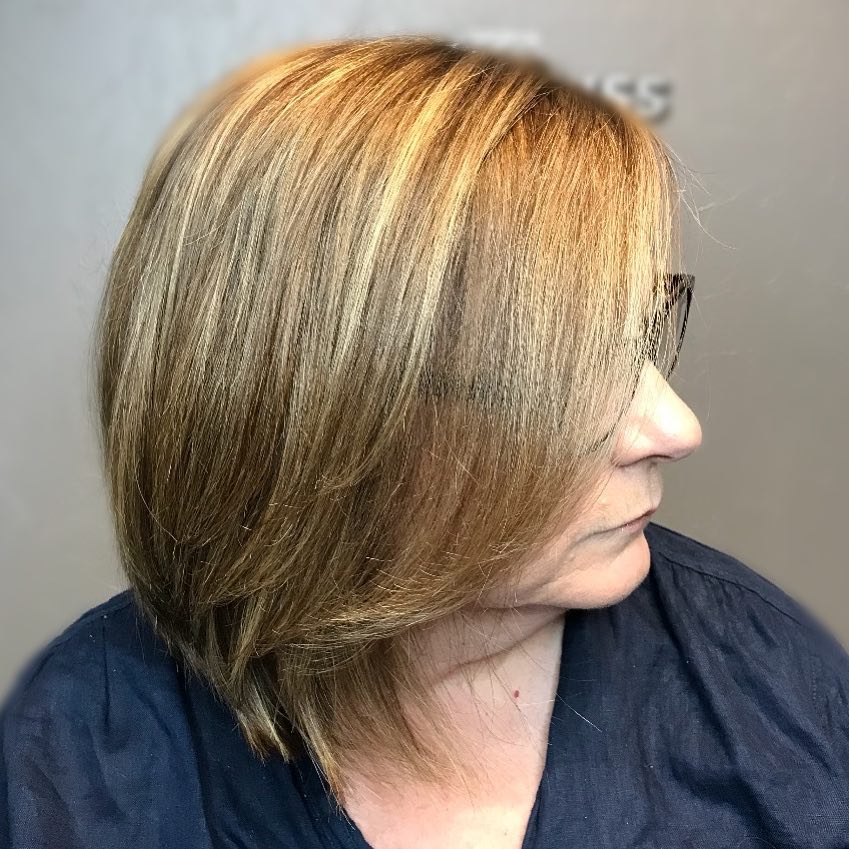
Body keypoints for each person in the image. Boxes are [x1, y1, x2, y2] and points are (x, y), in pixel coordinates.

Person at [2, 34, 848, 849]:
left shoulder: (777, 694)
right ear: (318, 414)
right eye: (554, 370)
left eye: (640, 331)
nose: (676, 428)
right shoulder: (76, 755)